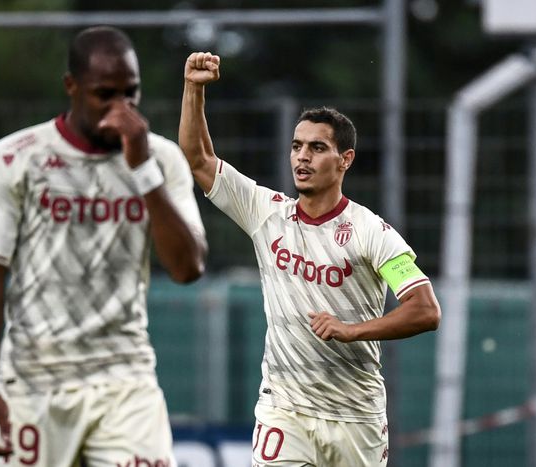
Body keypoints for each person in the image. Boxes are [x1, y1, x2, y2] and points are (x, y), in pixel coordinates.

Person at [0, 26, 207, 467]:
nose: (121, 108)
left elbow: (188, 268)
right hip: (35, 378)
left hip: (125, 377)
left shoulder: (161, 158)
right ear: (71, 86)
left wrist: (142, 169)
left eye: (130, 93)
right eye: (104, 94)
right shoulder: (15, 158)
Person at [179, 52, 441, 466]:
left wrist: (351, 331)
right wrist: (193, 89)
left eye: (317, 148)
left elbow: (425, 310)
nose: (302, 157)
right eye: (297, 146)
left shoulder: (371, 232)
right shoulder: (265, 213)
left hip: (356, 417)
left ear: (345, 160)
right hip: (284, 410)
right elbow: (198, 158)